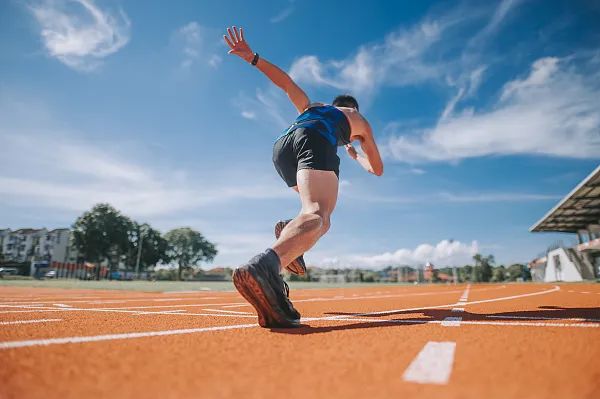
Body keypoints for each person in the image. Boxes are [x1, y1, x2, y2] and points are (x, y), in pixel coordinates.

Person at [224, 26, 383, 328]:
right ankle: (265, 266)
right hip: (315, 139)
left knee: (313, 213)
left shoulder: (313, 106)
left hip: (283, 147)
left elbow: (287, 84)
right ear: (352, 108)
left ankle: (289, 234)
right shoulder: (358, 119)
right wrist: (356, 153)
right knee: (319, 215)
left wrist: (252, 58)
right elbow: (377, 168)